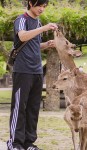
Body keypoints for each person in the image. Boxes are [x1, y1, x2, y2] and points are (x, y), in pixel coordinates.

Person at [7, 0, 58, 150]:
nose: (42, 9)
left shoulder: (38, 22)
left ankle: (29, 143)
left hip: (36, 71)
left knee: (33, 108)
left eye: (44, 6)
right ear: (30, 3)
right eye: (39, 5)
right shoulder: (21, 19)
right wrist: (43, 28)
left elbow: (33, 44)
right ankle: (15, 143)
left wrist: (46, 44)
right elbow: (22, 37)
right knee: (19, 107)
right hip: (23, 70)